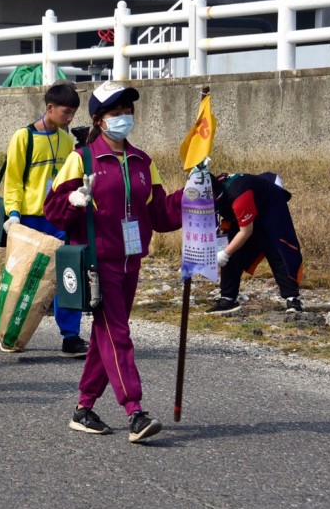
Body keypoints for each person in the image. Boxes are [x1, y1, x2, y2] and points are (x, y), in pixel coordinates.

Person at [45, 82, 183, 443]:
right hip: (97, 261)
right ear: (99, 120)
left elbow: (162, 215)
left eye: (127, 111)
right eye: (115, 112)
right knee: (118, 334)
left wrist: (192, 195)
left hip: (131, 261)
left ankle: (83, 408)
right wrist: (74, 200)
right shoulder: (82, 159)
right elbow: (53, 211)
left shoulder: (142, 162)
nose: (124, 117)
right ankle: (135, 411)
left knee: (104, 337)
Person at [2, 83, 88, 357]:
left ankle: (71, 337)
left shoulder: (66, 141)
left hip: (60, 219)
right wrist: (13, 213)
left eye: (73, 113)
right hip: (29, 219)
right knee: (24, 279)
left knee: (67, 276)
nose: (70, 118)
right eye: (66, 112)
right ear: (49, 108)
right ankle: (11, 332)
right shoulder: (22, 137)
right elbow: (13, 179)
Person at [206, 172, 304, 314]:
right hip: (241, 208)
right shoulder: (204, 193)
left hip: (269, 207)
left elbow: (246, 232)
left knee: (276, 247)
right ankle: (227, 299)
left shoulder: (238, 195)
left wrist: (224, 254)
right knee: (230, 246)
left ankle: (292, 299)